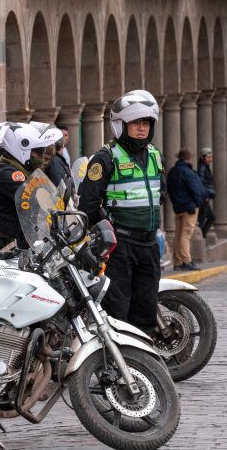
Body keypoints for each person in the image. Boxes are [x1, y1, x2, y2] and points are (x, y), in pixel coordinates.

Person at [79, 91, 166, 333]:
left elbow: (161, 192)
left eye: (146, 123)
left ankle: (143, 365)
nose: (142, 129)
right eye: (136, 123)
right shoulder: (106, 158)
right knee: (119, 310)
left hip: (148, 245)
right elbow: (88, 204)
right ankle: (119, 366)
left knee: (146, 308)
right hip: (121, 247)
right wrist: (109, 228)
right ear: (121, 125)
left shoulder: (155, 156)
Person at [0, 122, 62, 250]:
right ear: (21, 150)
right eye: (38, 152)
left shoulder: (17, 170)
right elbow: (36, 200)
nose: (42, 156)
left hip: (9, 240)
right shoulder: (8, 175)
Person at [166, 149, 206, 271]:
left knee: (178, 235)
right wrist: (197, 203)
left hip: (178, 208)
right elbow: (197, 190)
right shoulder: (188, 172)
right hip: (189, 208)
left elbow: (169, 190)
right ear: (188, 159)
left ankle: (177, 262)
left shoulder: (173, 172)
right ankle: (186, 261)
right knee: (186, 235)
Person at [197, 148, 216, 238]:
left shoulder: (205, 167)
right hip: (204, 198)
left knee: (209, 218)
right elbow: (201, 183)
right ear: (203, 157)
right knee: (202, 219)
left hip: (205, 197)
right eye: (208, 157)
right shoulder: (203, 167)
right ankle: (201, 237)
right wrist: (206, 195)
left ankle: (202, 237)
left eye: (211, 157)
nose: (210, 159)